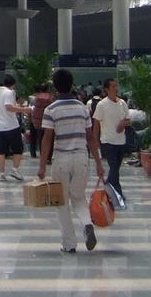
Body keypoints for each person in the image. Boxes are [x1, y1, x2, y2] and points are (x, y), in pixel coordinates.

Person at [37, 69, 103, 254]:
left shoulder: (52, 109)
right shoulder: (82, 108)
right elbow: (90, 137)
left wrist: (42, 165)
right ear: (72, 85)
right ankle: (87, 223)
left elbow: (47, 138)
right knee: (79, 197)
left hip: (61, 160)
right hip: (81, 158)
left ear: (55, 87)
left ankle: (69, 244)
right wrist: (98, 163)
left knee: (61, 202)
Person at [92, 78, 130, 201]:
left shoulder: (122, 103)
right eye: (113, 86)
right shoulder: (102, 105)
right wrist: (95, 140)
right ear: (107, 89)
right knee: (113, 168)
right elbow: (96, 123)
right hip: (107, 141)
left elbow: (127, 118)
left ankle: (108, 191)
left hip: (120, 140)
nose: (116, 88)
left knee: (116, 169)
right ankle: (118, 193)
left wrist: (123, 124)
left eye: (116, 86)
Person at [0, 75, 30, 182]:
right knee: (18, 149)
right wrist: (24, 109)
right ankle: (15, 170)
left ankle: (2, 173)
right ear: (13, 84)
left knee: (0, 151)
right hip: (11, 126)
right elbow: (9, 107)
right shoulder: (10, 92)